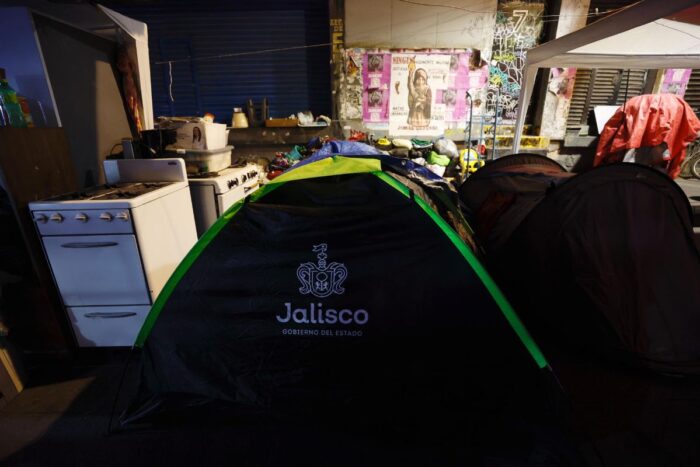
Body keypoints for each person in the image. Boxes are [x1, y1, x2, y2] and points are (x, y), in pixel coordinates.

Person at [407, 58, 431, 127]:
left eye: (422, 79)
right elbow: (410, 86)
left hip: (423, 112)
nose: (420, 81)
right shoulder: (414, 88)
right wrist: (410, 74)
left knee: (422, 121)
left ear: (425, 80)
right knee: (414, 121)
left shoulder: (427, 88)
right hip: (415, 111)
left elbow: (429, 100)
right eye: (418, 79)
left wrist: (424, 101)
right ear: (415, 79)